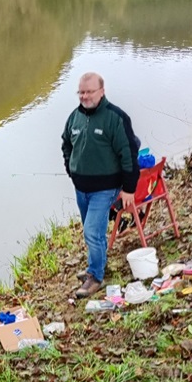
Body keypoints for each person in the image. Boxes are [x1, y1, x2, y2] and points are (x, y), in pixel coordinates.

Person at [61, 72, 140, 298]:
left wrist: (129, 188)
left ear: (102, 91)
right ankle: (96, 266)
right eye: (81, 92)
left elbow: (129, 154)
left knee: (91, 233)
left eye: (90, 92)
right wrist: (71, 169)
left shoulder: (116, 118)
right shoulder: (74, 118)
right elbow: (66, 144)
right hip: (81, 188)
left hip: (106, 188)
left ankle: (95, 276)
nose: (85, 96)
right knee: (94, 232)